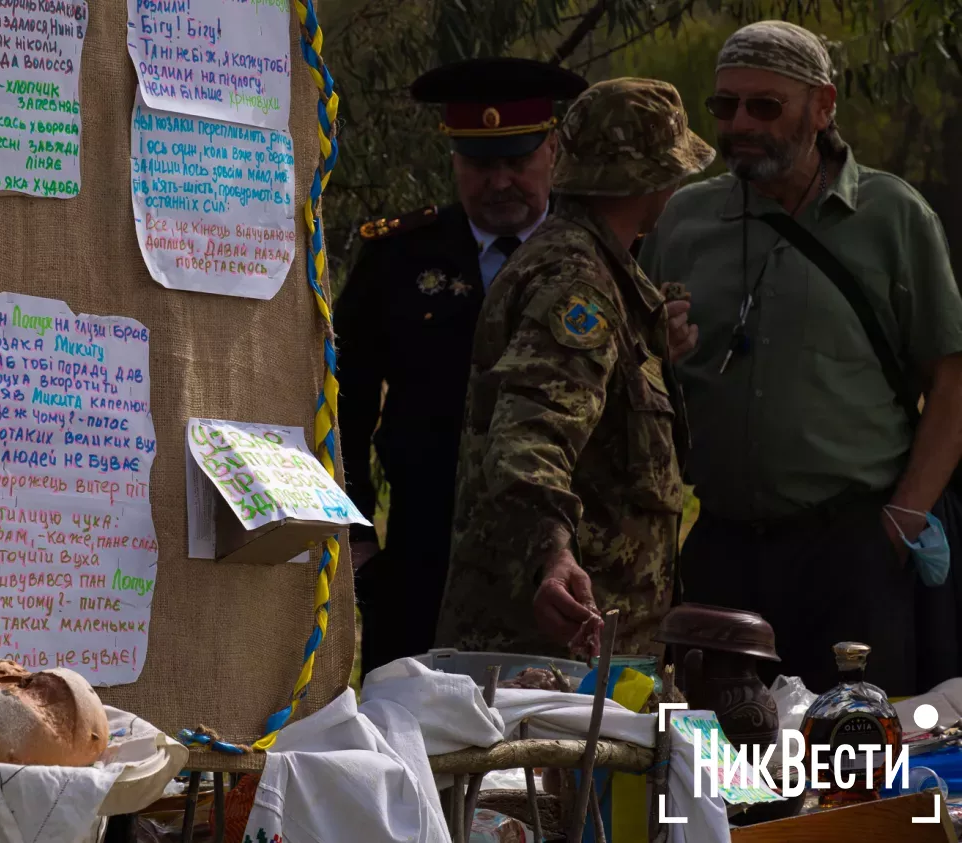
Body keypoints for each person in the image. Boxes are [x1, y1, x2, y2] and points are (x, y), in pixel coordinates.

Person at [639, 21, 962, 696]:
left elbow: (952, 379)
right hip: (722, 548)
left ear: (823, 107)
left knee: (855, 760)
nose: (740, 125)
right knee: (725, 772)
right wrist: (656, 351)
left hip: (851, 548)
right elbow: (637, 382)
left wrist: (903, 521)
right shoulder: (684, 220)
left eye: (765, 105)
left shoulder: (892, 216)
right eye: (725, 106)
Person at [434, 78, 716, 659]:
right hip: (551, 653)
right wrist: (552, 554)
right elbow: (527, 438)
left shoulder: (595, 271)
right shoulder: (577, 283)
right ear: (653, 178)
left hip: (585, 646)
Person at [334, 58, 588, 676]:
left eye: (517, 161)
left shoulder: (595, 255)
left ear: (552, 149)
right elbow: (343, 398)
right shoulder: (400, 257)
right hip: (427, 543)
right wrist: (355, 528)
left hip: (562, 550)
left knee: (556, 736)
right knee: (414, 731)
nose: (499, 182)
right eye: (480, 164)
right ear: (453, 158)